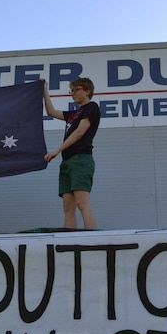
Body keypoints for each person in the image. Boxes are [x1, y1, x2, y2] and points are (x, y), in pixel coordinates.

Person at [42, 78, 101, 229]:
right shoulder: (74, 114)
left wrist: (57, 150)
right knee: (68, 208)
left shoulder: (91, 107)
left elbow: (80, 132)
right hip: (67, 162)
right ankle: (70, 241)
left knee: (82, 203)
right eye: (71, 91)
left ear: (87, 91)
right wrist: (44, 90)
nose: (73, 94)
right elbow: (51, 112)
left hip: (81, 159)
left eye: (76, 90)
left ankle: (93, 239)